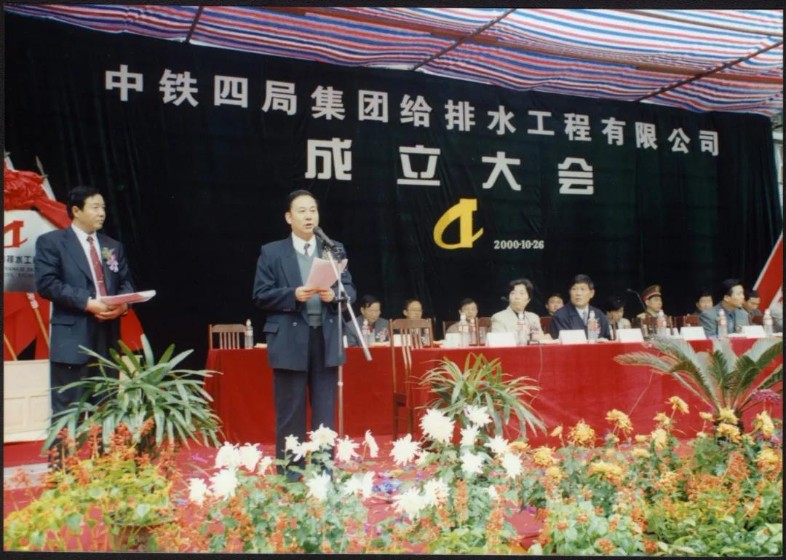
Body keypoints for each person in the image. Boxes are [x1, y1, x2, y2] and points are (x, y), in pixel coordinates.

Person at [252, 190, 356, 473]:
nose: (309, 216)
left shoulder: (332, 248)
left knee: (325, 411)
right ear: (289, 217)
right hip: (289, 338)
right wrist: (292, 294)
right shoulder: (272, 252)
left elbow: (349, 290)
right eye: (302, 211)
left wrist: (334, 296)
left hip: (325, 338)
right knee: (291, 411)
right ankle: (290, 473)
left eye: (313, 210)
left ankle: (323, 472)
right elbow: (260, 294)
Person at [34, 186, 135, 421]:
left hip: (107, 338)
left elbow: (126, 283)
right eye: (95, 207)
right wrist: (87, 303)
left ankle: (105, 448)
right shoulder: (52, 242)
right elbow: (47, 284)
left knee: (106, 410)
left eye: (104, 208)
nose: (102, 213)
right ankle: (64, 448)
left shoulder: (113, 246)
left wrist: (123, 306)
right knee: (68, 414)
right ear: (76, 211)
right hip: (72, 339)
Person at [550, 274, 611, 340]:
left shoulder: (599, 315)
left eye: (582, 289)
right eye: (574, 289)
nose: (578, 293)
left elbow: (607, 339)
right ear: (569, 292)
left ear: (592, 293)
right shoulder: (560, 316)